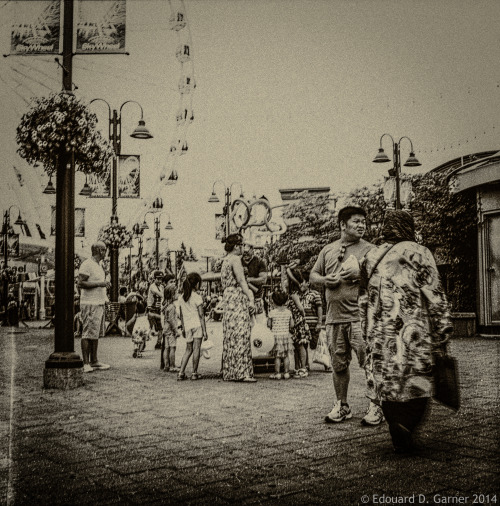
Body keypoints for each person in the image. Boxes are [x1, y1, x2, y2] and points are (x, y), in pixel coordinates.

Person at [359, 210, 453, 453]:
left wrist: (366, 332)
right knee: (418, 381)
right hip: (413, 332)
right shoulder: (419, 252)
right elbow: (435, 294)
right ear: (408, 226)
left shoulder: (370, 255)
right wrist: (443, 330)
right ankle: (406, 426)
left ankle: (397, 424)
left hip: (380, 333)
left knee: (388, 384)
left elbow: (363, 300)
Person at [310, 206, 383, 425]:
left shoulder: (371, 250)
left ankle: (376, 406)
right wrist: (325, 280)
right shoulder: (328, 250)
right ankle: (342, 405)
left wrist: (360, 275)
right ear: (343, 225)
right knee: (338, 364)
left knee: (369, 362)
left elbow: (381, 280)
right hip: (334, 318)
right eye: (357, 221)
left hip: (361, 317)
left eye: (364, 222)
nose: (362, 225)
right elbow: (313, 276)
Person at [220, 234, 257, 382]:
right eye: (241, 245)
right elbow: (241, 280)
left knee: (231, 335)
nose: (243, 248)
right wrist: (250, 298)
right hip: (236, 297)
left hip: (228, 297)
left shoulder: (225, 260)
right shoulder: (235, 260)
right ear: (236, 246)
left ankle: (230, 371)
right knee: (241, 334)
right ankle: (243, 372)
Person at [78, 241, 111, 373]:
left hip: (98, 302)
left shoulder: (98, 265)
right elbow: (81, 283)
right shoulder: (87, 264)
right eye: (104, 250)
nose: (105, 252)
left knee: (95, 333)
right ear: (98, 250)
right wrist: (100, 284)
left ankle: (94, 360)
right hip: (89, 303)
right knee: (87, 332)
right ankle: (86, 362)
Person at [177, 272, 208, 380]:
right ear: (196, 284)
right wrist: (205, 331)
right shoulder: (197, 297)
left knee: (188, 350)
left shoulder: (181, 298)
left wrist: (183, 328)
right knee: (196, 349)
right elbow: (201, 315)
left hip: (188, 326)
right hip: (197, 325)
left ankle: (181, 372)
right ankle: (194, 373)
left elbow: (181, 315)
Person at [286, 268, 311, 378]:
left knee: (300, 345)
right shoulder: (294, 293)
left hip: (298, 322)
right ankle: (298, 367)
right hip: (296, 322)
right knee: (297, 345)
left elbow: (300, 308)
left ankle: (303, 368)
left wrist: (302, 314)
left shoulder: (294, 294)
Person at [267, 290, 294, 380]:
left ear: (274, 301)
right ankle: (286, 372)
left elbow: (269, 325)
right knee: (286, 356)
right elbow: (292, 325)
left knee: (277, 356)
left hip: (276, 336)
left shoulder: (272, 312)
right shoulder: (288, 312)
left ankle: (277, 373)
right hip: (286, 335)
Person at [241, 243, 267, 318]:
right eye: (244, 252)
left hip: (256, 299)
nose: (245, 254)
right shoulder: (238, 261)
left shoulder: (259, 261)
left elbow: (263, 280)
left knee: (259, 324)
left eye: (247, 252)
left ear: (252, 250)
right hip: (242, 299)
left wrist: (249, 280)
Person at [161, 284, 181, 372]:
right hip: (171, 330)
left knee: (166, 348)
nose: (178, 295)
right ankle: (172, 366)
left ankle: (166, 365)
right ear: (172, 295)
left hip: (165, 329)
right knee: (173, 347)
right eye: (176, 293)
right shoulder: (172, 307)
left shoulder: (166, 306)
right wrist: (176, 330)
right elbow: (171, 320)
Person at [147, 270, 164, 349]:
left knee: (161, 327)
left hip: (158, 309)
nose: (160, 281)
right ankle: (141, 342)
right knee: (149, 328)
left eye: (161, 279)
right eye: (158, 279)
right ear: (154, 279)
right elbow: (159, 294)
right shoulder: (152, 286)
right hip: (152, 309)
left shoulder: (161, 287)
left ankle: (158, 342)